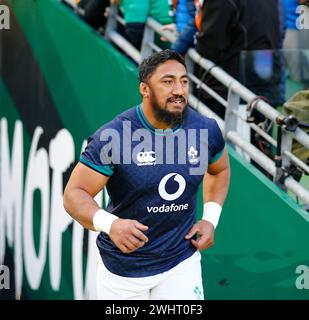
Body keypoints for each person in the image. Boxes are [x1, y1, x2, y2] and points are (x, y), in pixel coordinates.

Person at [63, 49, 230, 300]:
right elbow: (74, 194)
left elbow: (220, 171)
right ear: (144, 89)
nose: (178, 90)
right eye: (167, 81)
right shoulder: (114, 137)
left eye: (184, 81)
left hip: (181, 262)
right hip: (124, 273)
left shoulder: (204, 129)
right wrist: (111, 224)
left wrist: (210, 218)